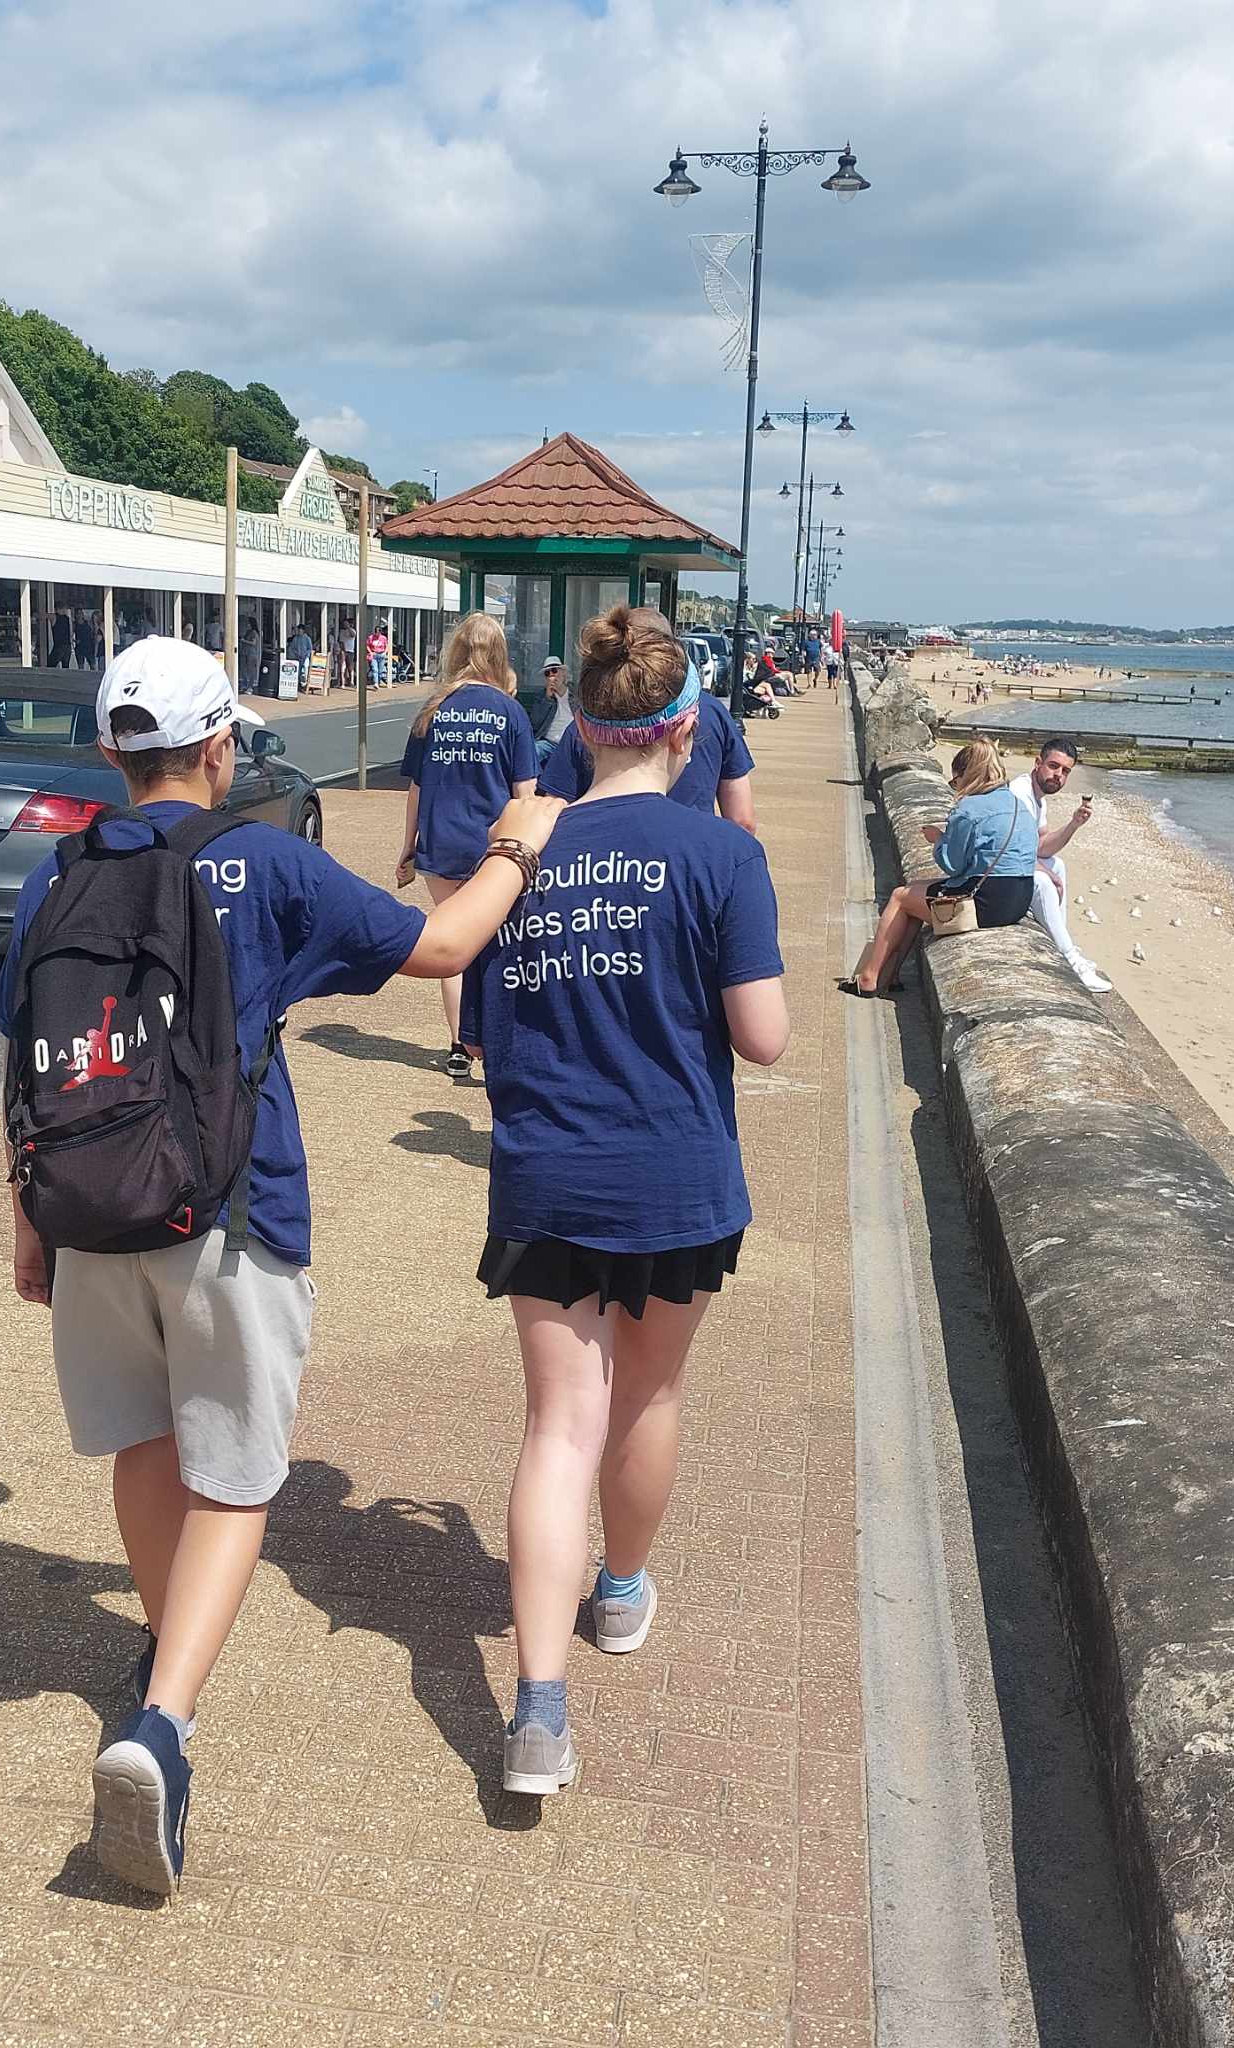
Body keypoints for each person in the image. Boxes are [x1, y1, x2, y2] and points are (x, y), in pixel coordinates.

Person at [0, 636, 561, 1897]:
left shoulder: (55, 877)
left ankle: (159, 1653)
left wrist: (30, 1216)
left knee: (143, 1445)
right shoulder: (268, 864)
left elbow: (23, 1050)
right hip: (232, 1215)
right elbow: (446, 944)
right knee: (237, 1477)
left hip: (87, 1212)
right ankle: (163, 1727)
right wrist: (518, 841)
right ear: (217, 747)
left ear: (110, 752)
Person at [459, 603, 789, 1796]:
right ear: (687, 727)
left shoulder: (523, 846)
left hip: (546, 1170)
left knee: (558, 1423)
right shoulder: (723, 856)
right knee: (646, 1391)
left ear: (581, 724)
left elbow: (483, 1033)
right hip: (676, 1173)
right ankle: (621, 1592)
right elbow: (764, 1039)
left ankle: (538, 1712)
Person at [398, 613, 539, 1078]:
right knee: (496, 943)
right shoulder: (511, 713)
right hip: (492, 847)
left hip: (441, 842)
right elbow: (525, 793)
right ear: (500, 653)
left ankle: (458, 1043)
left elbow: (417, 788)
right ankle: (495, 1039)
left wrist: (408, 847)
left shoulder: (433, 710)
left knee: (453, 945)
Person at [842, 736, 1037, 997]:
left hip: (986, 903)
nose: (955, 786)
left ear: (967, 776)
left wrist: (938, 840)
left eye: (955, 780)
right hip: (1019, 899)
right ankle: (891, 975)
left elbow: (952, 865)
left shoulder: (969, 808)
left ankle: (868, 978)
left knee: (900, 897)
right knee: (913, 894)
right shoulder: (1017, 805)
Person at [541, 610, 755, 834]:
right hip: (694, 850)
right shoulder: (713, 712)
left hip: (607, 856)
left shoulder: (592, 718)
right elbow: (742, 819)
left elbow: (554, 808)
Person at [1010, 738, 1112, 993]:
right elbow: (1012, 850)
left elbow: (1042, 846)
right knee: (1044, 879)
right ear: (1038, 763)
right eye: (1054, 766)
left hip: (1012, 865)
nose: (1058, 774)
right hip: (996, 874)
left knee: (1058, 866)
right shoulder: (1019, 793)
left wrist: (1073, 824)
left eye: (1065, 771)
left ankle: (1062, 944)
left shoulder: (1038, 798)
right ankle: (1070, 959)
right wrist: (1045, 873)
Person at [531, 653, 574, 768]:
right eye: (547, 673)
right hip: (548, 743)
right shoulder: (542, 697)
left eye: (554, 671)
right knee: (533, 752)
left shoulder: (576, 695)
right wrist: (547, 699)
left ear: (563, 673)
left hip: (571, 743)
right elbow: (535, 723)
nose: (551, 676)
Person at [288, 619, 314, 690]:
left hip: (305, 657)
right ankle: (299, 684)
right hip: (297, 657)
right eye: (298, 630)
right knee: (298, 671)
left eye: (300, 630)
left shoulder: (307, 638)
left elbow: (310, 648)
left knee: (306, 669)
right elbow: (292, 648)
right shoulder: (296, 638)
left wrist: (306, 655)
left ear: (303, 630)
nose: (298, 631)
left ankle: (305, 683)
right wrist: (296, 654)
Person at [368, 620, 389, 688]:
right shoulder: (371, 637)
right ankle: (376, 683)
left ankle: (379, 681)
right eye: (376, 632)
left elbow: (387, 646)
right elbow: (367, 645)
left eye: (379, 632)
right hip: (374, 654)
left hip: (381, 654)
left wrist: (385, 653)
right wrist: (370, 652)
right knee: (375, 669)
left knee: (380, 671)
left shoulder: (383, 638)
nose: (377, 634)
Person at [339, 617, 357, 688]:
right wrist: (343, 650)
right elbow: (341, 641)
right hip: (344, 651)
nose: (345, 625)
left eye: (346, 624)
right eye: (344, 624)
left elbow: (353, 635)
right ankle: (343, 682)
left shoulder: (352, 630)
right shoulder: (342, 631)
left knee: (350, 667)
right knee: (343, 666)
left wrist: (349, 627)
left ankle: (351, 681)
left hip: (351, 651)